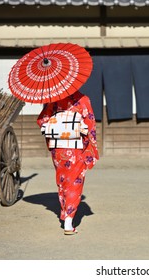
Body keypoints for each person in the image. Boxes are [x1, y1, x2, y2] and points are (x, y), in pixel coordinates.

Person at [37, 91, 99, 235]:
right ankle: (68, 222)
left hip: (58, 148)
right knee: (74, 183)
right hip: (75, 147)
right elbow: (90, 124)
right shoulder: (83, 99)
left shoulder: (54, 101)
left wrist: (56, 123)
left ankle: (66, 215)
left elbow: (42, 120)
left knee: (63, 181)